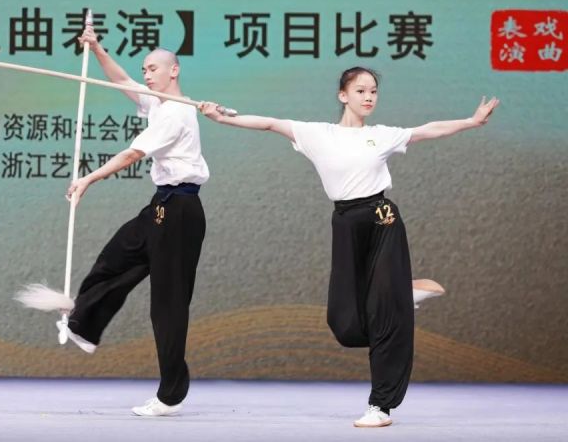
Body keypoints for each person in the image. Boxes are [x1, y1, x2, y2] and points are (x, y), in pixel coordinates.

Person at [199, 67, 499, 428]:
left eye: (373, 91)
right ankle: (402, 297)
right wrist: (222, 118)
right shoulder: (317, 134)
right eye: (360, 90)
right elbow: (268, 123)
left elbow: (428, 130)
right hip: (344, 222)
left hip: (382, 218)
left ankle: (380, 405)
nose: (369, 97)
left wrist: (471, 121)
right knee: (343, 322)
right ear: (343, 95)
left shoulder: (381, 135)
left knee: (384, 314)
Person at [62, 25, 209, 416]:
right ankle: (83, 324)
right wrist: (96, 49)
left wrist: (88, 179)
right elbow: (121, 80)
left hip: (181, 211)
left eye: (153, 68)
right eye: (144, 69)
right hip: (161, 205)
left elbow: (132, 154)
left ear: (174, 70)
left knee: (168, 305)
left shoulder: (176, 113)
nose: (146, 74)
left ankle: (170, 395)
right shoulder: (158, 103)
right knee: (117, 256)